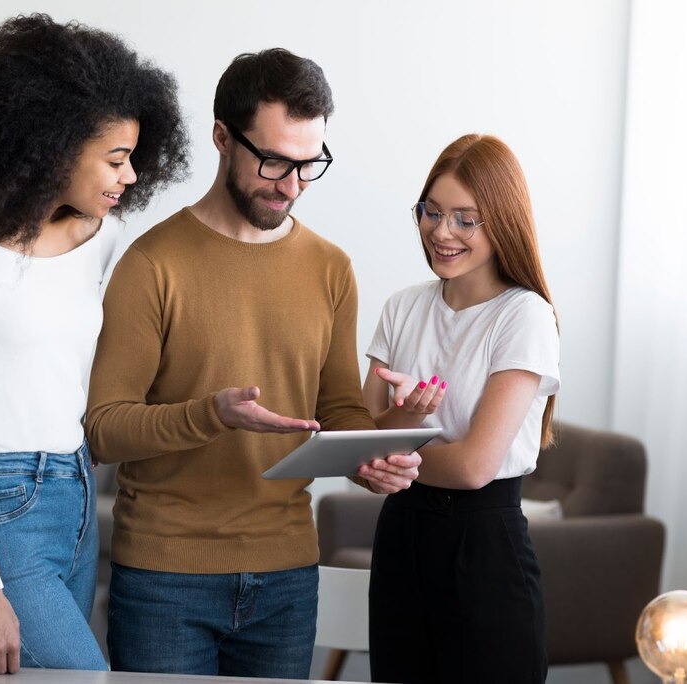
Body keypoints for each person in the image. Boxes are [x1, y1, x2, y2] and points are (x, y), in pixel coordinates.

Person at [84, 47, 420, 679]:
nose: (291, 186)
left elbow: (339, 410)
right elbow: (103, 427)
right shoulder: (152, 264)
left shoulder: (330, 268)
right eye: (273, 161)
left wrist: (376, 452)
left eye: (309, 164)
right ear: (221, 137)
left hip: (288, 574)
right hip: (165, 576)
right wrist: (210, 414)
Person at [0, 14, 188, 674]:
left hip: (77, 492)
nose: (131, 177)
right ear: (52, 146)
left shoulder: (101, 237)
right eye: (115, 160)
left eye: (134, 159)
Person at [363, 134, 561, 684]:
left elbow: (476, 466)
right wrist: (394, 432)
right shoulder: (403, 307)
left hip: (484, 547)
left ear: (502, 222)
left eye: (464, 219)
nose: (441, 232)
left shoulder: (524, 315)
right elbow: (361, 440)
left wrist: (391, 449)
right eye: (431, 212)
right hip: (401, 537)